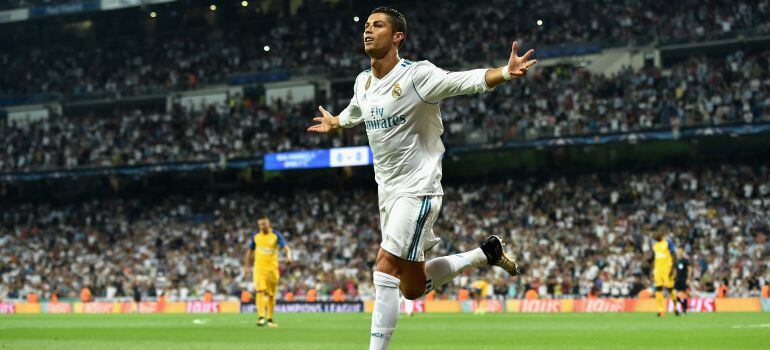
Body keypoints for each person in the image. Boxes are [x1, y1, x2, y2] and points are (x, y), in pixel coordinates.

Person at [307, 7, 535, 349]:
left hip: (418, 188)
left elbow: (462, 81)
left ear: (397, 36)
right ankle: (484, 254)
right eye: (367, 26)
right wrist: (338, 122)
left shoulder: (416, 76)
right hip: (387, 192)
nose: (368, 31)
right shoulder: (363, 81)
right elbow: (358, 109)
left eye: (378, 25)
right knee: (411, 289)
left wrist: (504, 71)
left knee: (383, 266)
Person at [245, 216, 292, 328]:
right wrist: (246, 267)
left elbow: (286, 247)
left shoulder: (275, 235)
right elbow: (250, 252)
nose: (262, 226)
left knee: (271, 295)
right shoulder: (255, 236)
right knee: (260, 291)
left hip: (272, 269)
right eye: (260, 224)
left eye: (264, 224)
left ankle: (270, 319)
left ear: (269, 224)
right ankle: (261, 317)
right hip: (259, 268)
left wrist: (289, 255)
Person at [652, 230, 676, 317]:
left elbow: (674, 255)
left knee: (670, 289)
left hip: (667, 269)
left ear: (661, 234)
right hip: (658, 270)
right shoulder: (655, 246)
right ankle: (661, 310)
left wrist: (672, 268)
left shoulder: (668, 242)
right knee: (658, 289)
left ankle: (676, 307)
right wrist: (653, 270)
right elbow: (655, 258)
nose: (655, 237)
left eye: (656, 235)